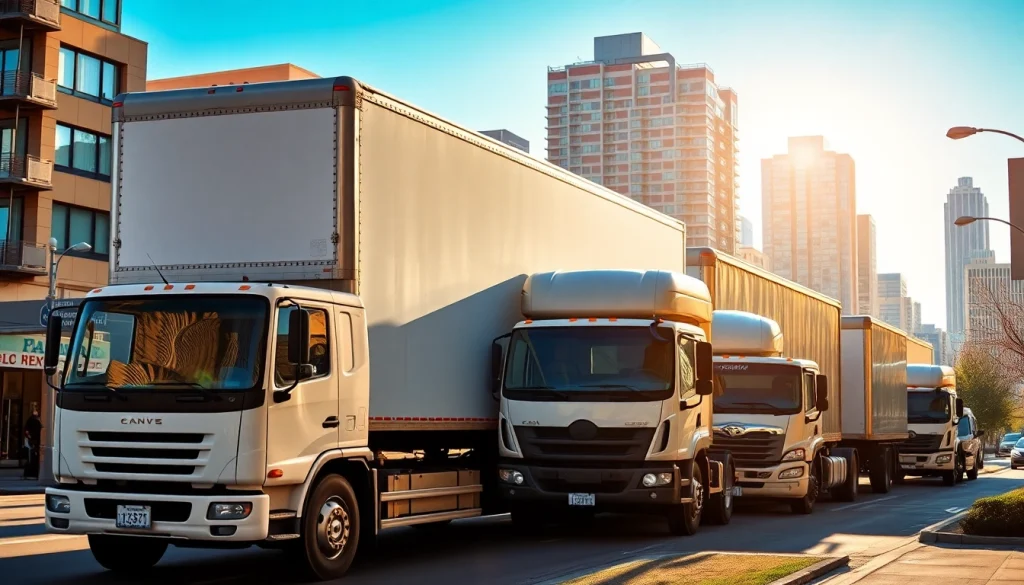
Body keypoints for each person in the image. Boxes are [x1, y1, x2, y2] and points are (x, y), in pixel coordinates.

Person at [23, 406, 41, 480]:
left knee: (31, 456)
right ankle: (32, 471)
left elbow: (26, 430)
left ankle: (30, 471)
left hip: (32, 440)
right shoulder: (36, 421)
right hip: (35, 440)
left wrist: (29, 437)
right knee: (33, 455)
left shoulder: (30, 420)